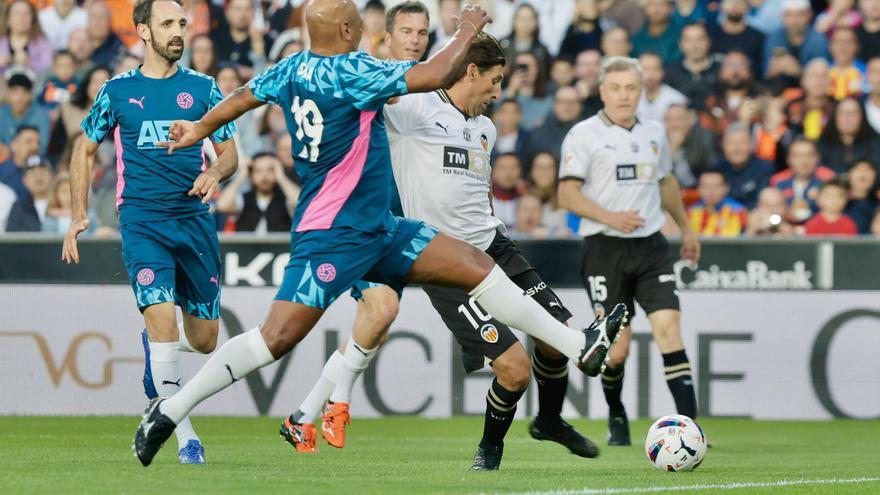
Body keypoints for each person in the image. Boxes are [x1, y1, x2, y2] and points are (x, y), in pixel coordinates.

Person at [132, 0, 626, 468]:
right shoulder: (354, 70)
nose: (367, 34)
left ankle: (577, 342)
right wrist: (468, 27)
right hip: (333, 232)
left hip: (383, 228)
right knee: (276, 337)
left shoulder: (290, 68)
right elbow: (434, 75)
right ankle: (171, 410)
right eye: (360, 25)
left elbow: (242, 97)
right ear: (347, 31)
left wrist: (199, 128)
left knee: (477, 267)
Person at [297, 28, 604, 472]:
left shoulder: (486, 129)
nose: (497, 94)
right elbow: (373, 86)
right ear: (471, 71)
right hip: (444, 259)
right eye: (494, 82)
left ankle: (550, 421)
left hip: (494, 244)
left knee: (556, 335)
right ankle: (489, 456)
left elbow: (478, 193)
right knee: (515, 368)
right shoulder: (414, 107)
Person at [61, 0, 239, 465]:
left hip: (194, 222)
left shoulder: (203, 88)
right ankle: (186, 439)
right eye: (168, 23)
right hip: (141, 222)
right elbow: (84, 148)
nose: (179, 31)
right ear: (142, 30)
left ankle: (156, 350)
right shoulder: (117, 91)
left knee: (204, 340)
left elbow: (231, 153)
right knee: (161, 320)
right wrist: (79, 214)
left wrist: (216, 173)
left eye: (182, 22)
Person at [558, 56, 700, 446]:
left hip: (652, 247)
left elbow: (667, 181)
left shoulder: (654, 132)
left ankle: (690, 429)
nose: (623, 96)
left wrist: (687, 229)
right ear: (603, 91)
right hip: (604, 249)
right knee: (616, 351)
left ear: (641, 90)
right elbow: (566, 193)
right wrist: (610, 216)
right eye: (615, 88)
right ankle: (616, 414)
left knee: (670, 331)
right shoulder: (583, 135)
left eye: (631, 88)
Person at [216, 152, 299, 233]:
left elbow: (300, 202)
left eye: (270, 170)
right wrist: (242, 175)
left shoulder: (286, 200)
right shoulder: (243, 200)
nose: (264, 176)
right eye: (258, 171)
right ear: (251, 174)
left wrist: (281, 176)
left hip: (280, 247)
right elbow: (222, 205)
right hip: (247, 247)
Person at [710, 123, 776, 209]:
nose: (736, 148)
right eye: (731, 142)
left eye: (742, 142)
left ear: (752, 145)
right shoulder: (714, 169)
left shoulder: (765, 168)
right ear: (723, 145)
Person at [771, 138, 836, 224]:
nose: (804, 161)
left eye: (809, 155)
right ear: (788, 159)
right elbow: (771, 212)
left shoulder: (828, 179)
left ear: (818, 158)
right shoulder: (778, 181)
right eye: (798, 156)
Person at [664, 23, 721, 111]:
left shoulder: (721, 71)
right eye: (689, 40)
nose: (695, 45)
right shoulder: (669, 72)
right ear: (681, 44)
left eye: (700, 39)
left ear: (709, 42)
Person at [763, 0, 829, 76]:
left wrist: (798, 71)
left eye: (800, 14)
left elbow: (821, 74)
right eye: (789, 15)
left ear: (809, 15)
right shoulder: (774, 37)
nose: (795, 20)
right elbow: (767, 71)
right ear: (781, 17)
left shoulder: (818, 40)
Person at [818, 96, 880, 172]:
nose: (848, 118)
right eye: (843, 113)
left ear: (862, 116)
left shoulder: (876, 144)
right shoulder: (823, 144)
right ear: (835, 117)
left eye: (853, 113)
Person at [524, 86, 583, 164]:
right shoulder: (539, 132)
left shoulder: (589, 131)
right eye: (561, 102)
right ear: (554, 105)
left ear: (580, 106)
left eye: (572, 102)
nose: (566, 107)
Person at [664, 103, 717, 188]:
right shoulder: (660, 142)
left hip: (701, 191)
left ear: (689, 120)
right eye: (669, 120)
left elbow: (712, 169)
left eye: (679, 119)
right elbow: (660, 176)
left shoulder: (704, 138)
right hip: (674, 193)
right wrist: (672, 149)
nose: (674, 124)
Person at [210, 0, 266, 77]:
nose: (242, 15)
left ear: (254, 12)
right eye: (238, 9)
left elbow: (266, 77)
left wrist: (258, 45)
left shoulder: (265, 40)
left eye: (247, 9)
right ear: (228, 12)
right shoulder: (214, 38)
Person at [0, 73, 50, 156]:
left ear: (31, 94)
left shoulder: (41, 114)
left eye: (25, 92)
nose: (20, 97)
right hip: (5, 161)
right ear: (8, 93)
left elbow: (42, 148)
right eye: (15, 91)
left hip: (32, 160)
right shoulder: (2, 112)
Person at [709, 0, 765, 74]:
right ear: (721, 7)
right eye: (729, 3)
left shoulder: (759, 38)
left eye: (739, 2)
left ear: (748, 7)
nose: (734, 6)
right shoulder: (710, 36)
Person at [0, 0, 53, 76]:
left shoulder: (42, 43)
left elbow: (50, 71)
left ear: (33, 18)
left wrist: (29, 62)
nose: (21, 18)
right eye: (16, 13)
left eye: (26, 13)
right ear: (7, 19)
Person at [687, 170, 747, 236]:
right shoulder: (691, 211)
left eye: (716, 186)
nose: (711, 191)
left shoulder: (737, 211)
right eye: (705, 186)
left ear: (726, 188)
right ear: (699, 188)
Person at [636, 52, 686, 123]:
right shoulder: (629, 97)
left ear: (662, 72)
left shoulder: (677, 99)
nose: (650, 74)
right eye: (645, 69)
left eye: (655, 69)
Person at [6, 157, 52, 232]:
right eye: (32, 173)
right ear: (24, 180)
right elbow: (12, 237)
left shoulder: (64, 202)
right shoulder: (19, 208)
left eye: (43, 171)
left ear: (52, 176)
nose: (38, 176)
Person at [631, 0, 681, 64]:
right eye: (652, 5)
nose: (656, 9)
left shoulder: (680, 36)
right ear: (645, 8)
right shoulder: (636, 38)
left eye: (662, 4)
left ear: (671, 8)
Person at [0, 126, 41, 199]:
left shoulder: (45, 173)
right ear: (14, 145)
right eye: (28, 142)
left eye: (38, 143)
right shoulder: (2, 171)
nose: (35, 147)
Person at [828, 28, 866, 100]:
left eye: (848, 42)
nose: (843, 47)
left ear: (857, 46)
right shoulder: (823, 71)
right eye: (838, 42)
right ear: (830, 46)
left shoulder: (867, 72)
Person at [491, 153, 524, 227]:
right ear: (493, 172)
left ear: (520, 172)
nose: (508, 173)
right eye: (502, 168)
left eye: (513, 167)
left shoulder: (528, 201)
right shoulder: (482, 202)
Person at [844, 159, 878, 232]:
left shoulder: (877, 205)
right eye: (858, 169)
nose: (863, 174)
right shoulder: (838, 202)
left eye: (868, 170)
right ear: (849, 174)